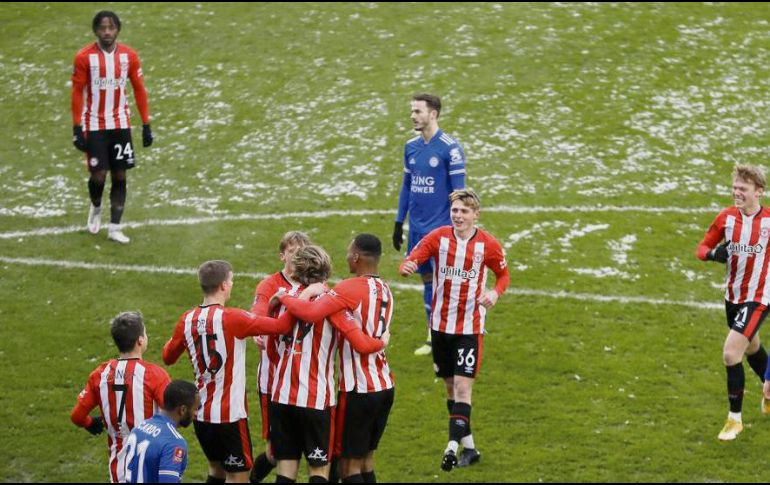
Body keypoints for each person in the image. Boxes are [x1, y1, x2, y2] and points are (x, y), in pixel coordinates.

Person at [399, 188, 509, 471]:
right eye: (455, 211)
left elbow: (503, 275)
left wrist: (494, 293)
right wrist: (408, 265)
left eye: (464, 211)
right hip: (440, 327)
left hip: (470, 328)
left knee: (462, 387)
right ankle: (470, 449)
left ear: (476, 214)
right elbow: (414, 257)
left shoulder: (488, 245)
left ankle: (450, 447)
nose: (458, 216)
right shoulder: (438, 237)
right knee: (450, 388)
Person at [162, 260, 296, 484]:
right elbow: (281, 326)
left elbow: (168, 356)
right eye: (231, 281)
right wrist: (296, 300)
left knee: (216, 471)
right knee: (238, 477)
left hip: (201, 413)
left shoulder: (187, 320)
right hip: (230, 416)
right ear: (224, 285)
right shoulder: (234, 317)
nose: (232, 284)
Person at [277, 234, 394, 483]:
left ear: (356, 257)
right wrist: (382, 342)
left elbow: (309, 313)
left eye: (349, 252)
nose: (346, 257)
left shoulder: (347, 289)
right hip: (384, 383)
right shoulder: (386, 289)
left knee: (347, 467)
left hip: (357, 389)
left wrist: (283, 297)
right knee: (365, 460)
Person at [696, 164, 770, 441]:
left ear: (759, 191)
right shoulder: (725, 218)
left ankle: (734, 420)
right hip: (733, 297)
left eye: (743, 188)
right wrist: (713, 254)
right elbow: (701, 248)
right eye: (735, 188)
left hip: (759, 297)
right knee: (752, 347)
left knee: (731, 353)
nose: (737, 192)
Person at [71, 10, 154, 244]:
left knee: (120, 174)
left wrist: (146, 124)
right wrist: (77, 128)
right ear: (95, 30)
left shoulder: (129, 56)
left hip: (120, 124)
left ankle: (115, 228)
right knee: (98, 176)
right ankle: (96, 206)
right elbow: (77, 92)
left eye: (111, 27)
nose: (107, 32)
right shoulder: (84, 57)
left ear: (117, 30)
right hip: (94, 125)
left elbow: (139, 89)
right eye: (102, 28)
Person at [393, 93, 466, 356]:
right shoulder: (410, 147)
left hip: (440, 230)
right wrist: (399, 221)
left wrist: (458, 229)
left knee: (442, 285)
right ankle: (433, 335)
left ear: (433, 114)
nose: (412, 116)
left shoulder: (450, 149)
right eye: (412, 111)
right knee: (426, 280)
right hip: (417, 229)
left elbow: (459, 194)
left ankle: (447, 335)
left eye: (418, 111)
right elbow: (407, 186)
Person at [70, 311, 171, 483]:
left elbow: (77, 416)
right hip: (151, 466)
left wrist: (90, 423)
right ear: (140, 340)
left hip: (119, 469)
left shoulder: (100, 375)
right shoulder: (155, 375)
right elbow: (174, 413)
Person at [249, 231, 312, 483]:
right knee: (276, 453)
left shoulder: (314, 285)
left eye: (302, 251)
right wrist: (259, 328)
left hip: (305, 380)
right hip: (273, 381)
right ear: (282, 255)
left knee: (312, 452)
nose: (297, 256)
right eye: (292, 251)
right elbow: (257, 314)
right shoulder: (269, 285)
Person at [122, 380, 200, 483]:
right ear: (183, 410)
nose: (196, 413)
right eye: (195, 409)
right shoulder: (174, 442)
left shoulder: (139, 428)